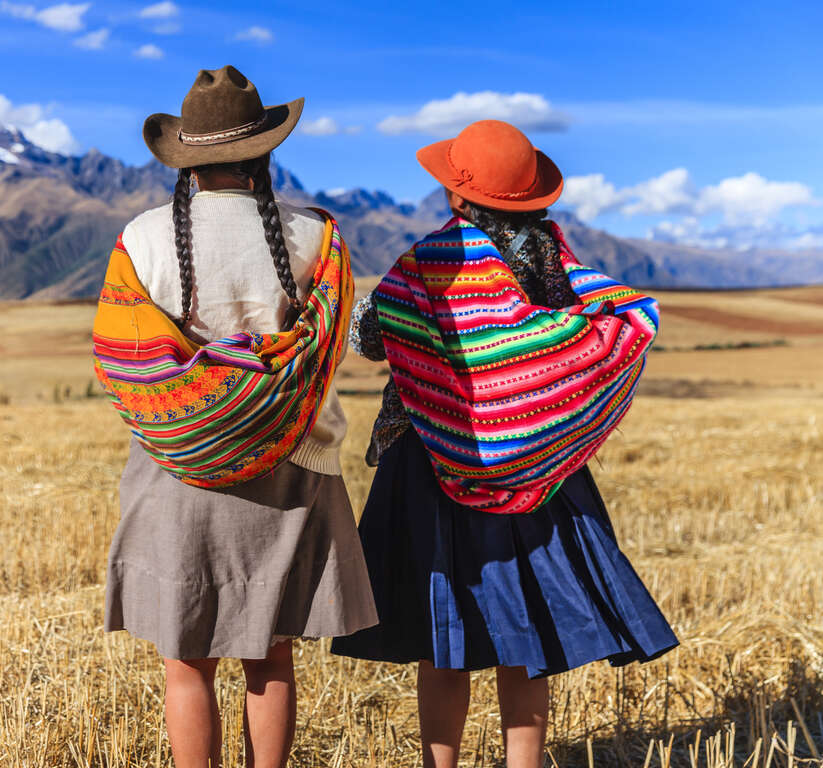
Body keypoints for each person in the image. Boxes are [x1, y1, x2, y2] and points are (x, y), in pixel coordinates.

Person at [330, 119, 679, 768]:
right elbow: (602, 329)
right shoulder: (559, 265)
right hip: (540, 474)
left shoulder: (427, 263)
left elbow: (373, 338)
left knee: (445, 643)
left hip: (429, 470)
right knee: (526, 638)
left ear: (456, 197)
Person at [91, 65, 376, 768]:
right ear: (265, 152)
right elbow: (334, 344)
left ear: (185, 159)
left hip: (175, 471)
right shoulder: (314, 239)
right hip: (292, 468)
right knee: (271, 656)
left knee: (186, 661)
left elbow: (119, 356)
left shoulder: (142, 238)